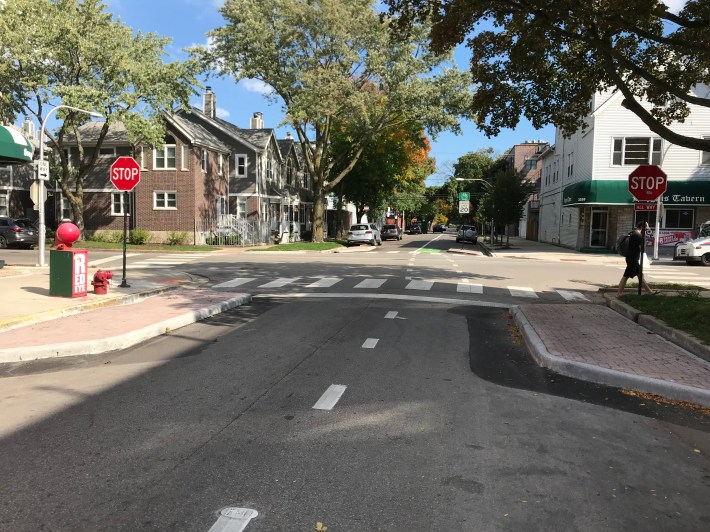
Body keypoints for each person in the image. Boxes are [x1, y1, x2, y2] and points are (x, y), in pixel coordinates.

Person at [617, 221, 654, 296]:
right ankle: (619, 294)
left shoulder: (632, 233)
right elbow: (642, 248)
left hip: (630, 257)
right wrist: (644, 239)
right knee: (626, 276)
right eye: (646, 229)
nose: (646, 230)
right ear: (642, 228)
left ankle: (650, 292)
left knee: (639, 276)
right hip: (633, 259)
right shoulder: (639, 236)